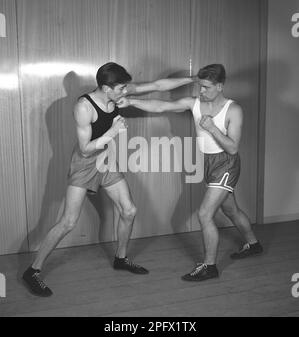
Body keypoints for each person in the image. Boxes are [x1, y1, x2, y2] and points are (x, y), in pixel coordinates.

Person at [22, 62, 195, 297]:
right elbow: (84, 150)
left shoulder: (116, 92)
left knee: (129, 210)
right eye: (121, 88)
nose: (126, 91)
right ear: (106, 88)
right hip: (84, 163)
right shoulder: (84, 107)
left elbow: (157, 85)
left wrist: (193, 79)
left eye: (126, 87)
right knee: (68, 222)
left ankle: (120, 258)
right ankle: (32, 271)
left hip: (106, 159)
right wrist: (112, 133)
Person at [117, 63, 263, 282]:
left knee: (205, 214)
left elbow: (232, 148)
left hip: (227, 165)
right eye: (200, 86)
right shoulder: (194, 103)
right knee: (231, 210)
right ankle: (253, 244)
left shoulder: (233, 109)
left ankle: (209, 267)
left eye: (206, 87)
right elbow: (161, 106)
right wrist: (130, 101)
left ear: (220, 86)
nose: (201, 91)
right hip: (209, 163)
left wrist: (212, 128)